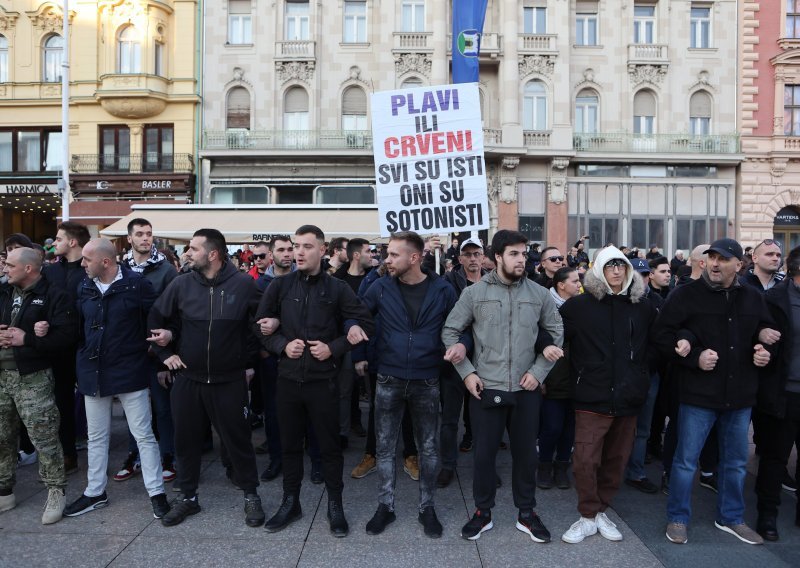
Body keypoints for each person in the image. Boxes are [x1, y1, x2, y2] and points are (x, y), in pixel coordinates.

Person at [443, 230, 563, 543]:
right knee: (483, 456)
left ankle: (527, 512)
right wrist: (467, 373)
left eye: (524, 253)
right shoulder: (475, 293)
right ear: (497, 256)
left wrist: (539, 371)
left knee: (527, 456)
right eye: (514, 253)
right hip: (486, 388)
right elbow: (450, 332)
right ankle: (483, 512)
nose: (521, 259)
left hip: (526, 388)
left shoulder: (538, 294)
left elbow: (555, 332)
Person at [653, 238, 774, 546]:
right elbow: (662, 335)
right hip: (698, 394)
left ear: (739, 264)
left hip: (740, 395)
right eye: (712, 257)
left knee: (735, 463)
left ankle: (731, 517)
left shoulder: (752, 296)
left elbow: (764, 329)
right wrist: (694, 358)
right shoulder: (686, 295)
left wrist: (762, 348)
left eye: (723, 258)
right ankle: (678, 517)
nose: (716, 263)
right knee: (685, 461)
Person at [255, 225, 373, 537]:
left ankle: (336, 505)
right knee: (290, 446)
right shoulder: (280, 286)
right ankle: (290, 501)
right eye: (296, 246)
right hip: (288, 381)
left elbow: (364, 321)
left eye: (307, 246)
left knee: (329, 448)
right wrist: (282, 344)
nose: (299, 252)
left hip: (323, 382)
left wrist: (334, 348)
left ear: (323, 250)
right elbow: (259, 327)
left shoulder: (337, 288)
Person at [147, 229, 265, 528]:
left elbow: (261, 325)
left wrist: (249, 363)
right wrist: (165, 356)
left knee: (238, 440)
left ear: (212, 254)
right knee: (185, 441)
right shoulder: (181, 284)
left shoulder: (244, 284)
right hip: (188, 379)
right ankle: (188, 497)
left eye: (194, 248)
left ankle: (251, 494)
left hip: (229, 381)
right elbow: (156, 322)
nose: (188, 252)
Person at [358, 231, 460, 538]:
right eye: (387, 254)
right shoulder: (379, 287)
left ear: (414, 258)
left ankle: (426, 508)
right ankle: (385, 507)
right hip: (388, 377)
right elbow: (358, 316)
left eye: (393, 255)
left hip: (427, 379)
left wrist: (462, 345)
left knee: (429, 449)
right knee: (385, 447)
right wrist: (354, 337)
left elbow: (460, 327)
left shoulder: (442, 289)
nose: (386, 260)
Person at [63, 238, 170, 520]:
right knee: (97, 437)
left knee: (144, 435)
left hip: (129, 371)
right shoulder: (84, 286)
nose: (82, 264)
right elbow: (80, 328)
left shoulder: (137, 285)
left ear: (106, 262)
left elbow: (158, 319)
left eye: (87, 259)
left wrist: (156, 346)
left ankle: (157, 493)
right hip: (92, 372)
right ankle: (95, 492)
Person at [558, 247, 656, 544]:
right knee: (586, 459)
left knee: (616, 459)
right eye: (610, 265)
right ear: (599, 269)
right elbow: (555, 338)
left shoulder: (644, 307)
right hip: (591, 395)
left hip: (628, 397)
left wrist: (640, 373)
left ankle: (600, 510)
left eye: (621, 265)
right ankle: (588, 514)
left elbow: (656, 343)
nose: (616, 271)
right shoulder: (578, 306)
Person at [0, 247, 76, 524]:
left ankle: (56, 490)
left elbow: (67, 339)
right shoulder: (4, 292)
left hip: (33, 377)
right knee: (1, 436)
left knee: (44, 437)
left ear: (29, 269)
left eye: (9, 265)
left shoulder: (55, 296)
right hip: (1, 377)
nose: (5, 269)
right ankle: (3, 490)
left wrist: (28, 338)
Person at [113, 218, 178, 486]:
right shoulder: (118, 268)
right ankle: (134, 455)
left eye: (149, 234)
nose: (145, 238)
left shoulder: (166, 271)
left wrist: (164, 356)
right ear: (129, 238)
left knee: (162, 408)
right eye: (139, 234)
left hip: (156, 353)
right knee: (134, 409)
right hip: (128, 351)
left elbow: (175, 313)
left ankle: (167, 457)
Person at [754, 245, 800, 540]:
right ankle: (767, 516)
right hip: (783, 392)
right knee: (774, 458)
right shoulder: (774, 300)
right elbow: (756, 334)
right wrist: (760, 341)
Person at [437, 238, 487, 488]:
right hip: (454, 360)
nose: (473, 259)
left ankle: (484, 466)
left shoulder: (493, 283)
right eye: (467, 254)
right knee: (449, 418)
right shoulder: (447, 283)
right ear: (460, 259)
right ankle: (447, 465)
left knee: (481, 419)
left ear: (484, 256)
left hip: (485, 360)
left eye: (477, 253)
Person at [44, 221, 91, 476]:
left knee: (93, 402)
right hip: (59, 348)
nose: (54, 242)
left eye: (59, 238)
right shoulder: (50, 272)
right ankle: (68, 454)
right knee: (61, 401)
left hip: (87, 346)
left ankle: (96, 456)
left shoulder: (89, 269)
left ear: (72, 242)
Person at [536, 266, 582, 490]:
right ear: (561, 285)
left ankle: (561, 466)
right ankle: (544, 466)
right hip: (553, 379)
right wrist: (540, 377)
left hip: (577, 379)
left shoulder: (583, 307)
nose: (578, 284)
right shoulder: (546, 307)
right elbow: (535, 343)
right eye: (574, 281)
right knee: (552, 427)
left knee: (570, 429)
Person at [622, 258, 664, 495]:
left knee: (643, 427)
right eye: (637, 274)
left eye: (645, 274)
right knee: (616, 425)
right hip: (619, 374)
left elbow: (661, 340)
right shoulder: (615, 300)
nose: (642, 278)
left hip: (648, 373)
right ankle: (611, 469)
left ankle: (636, 472)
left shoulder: (657, 303)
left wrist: (645, 364)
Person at [332, 238, 373, 446]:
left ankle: (360, 424)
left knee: (370, 391)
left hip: (369, 342)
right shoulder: (337, 280)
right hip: (343, 343)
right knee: (345, 390)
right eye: (368, 251)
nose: (372, 255)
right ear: (356, 255)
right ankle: (343, 431)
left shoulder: (373, 279)